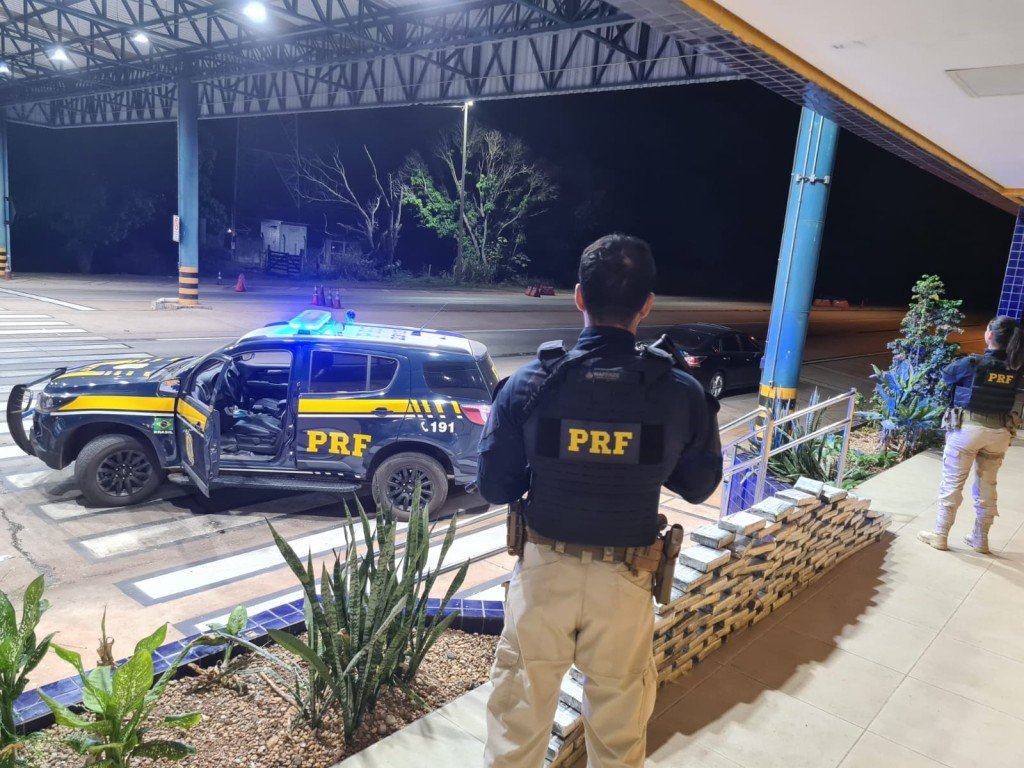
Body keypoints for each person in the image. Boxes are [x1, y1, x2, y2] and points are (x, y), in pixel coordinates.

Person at [477, 234, 723, 768]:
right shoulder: (679, 393)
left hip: (543, 576)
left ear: (579, 297)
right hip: (626, 582)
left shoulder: (531, 383)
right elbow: (699, 486)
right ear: (647, 305)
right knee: (618, 741)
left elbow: (495, 487)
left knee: (516, 734)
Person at [919, 315, 1024, 553]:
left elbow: (946, 375)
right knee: (988, 486)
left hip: (967, 430)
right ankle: (980, 539)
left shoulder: (973, 362)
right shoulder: (1015, 367)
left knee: (952, 483)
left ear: (989, 335)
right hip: (1000, 433)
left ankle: (940, 535)